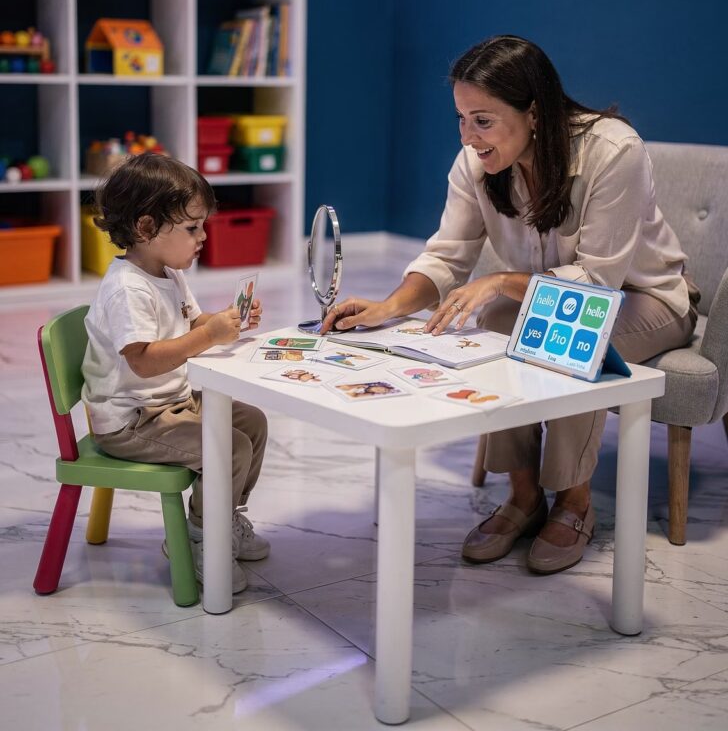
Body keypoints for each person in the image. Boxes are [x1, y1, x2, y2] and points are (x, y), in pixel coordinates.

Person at [321, 34, 699, 575]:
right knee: (496, 320)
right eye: (461, 119)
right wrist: (388, 307)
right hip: (555, 295)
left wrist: (499, 280)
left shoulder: (614, 150)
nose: (467, 137)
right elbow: (447, 256)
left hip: (647, 300)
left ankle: (574, 501)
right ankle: (523, 496)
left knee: (569, 337)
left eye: (482, 120)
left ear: (534, 113)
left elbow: (597, 281)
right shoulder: (475, 163)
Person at [81, 154, 269, 594]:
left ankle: (225, 516)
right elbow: (144, 360)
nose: (203, 237)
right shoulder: (127, 288)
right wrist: (207, 336)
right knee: (229, 448)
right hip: (131, 420)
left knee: (252, 422)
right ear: (146, 228)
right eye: (191, 228)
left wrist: (223, 322)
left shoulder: (168, 273)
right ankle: (202, 539)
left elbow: (191, 324)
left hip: (169, 404)